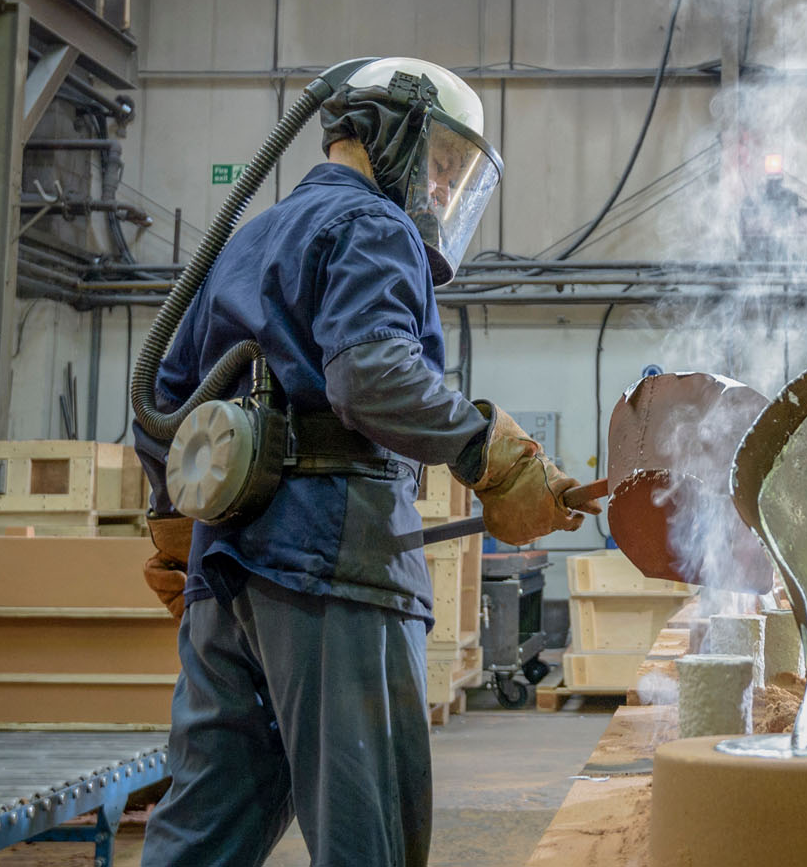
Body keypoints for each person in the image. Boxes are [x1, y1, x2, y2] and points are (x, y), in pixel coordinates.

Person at [133, 58, 583, 867]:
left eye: (457, 175)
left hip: (225, 575)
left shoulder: (249, 239)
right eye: (441, 163)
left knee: (201, 832)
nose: (444, 190)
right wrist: (492, 455)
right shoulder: (376, 227)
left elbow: (163, 402)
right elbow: (371, 376)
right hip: (336, 567)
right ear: (386, 130)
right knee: (364, 831)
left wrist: (178, 531)